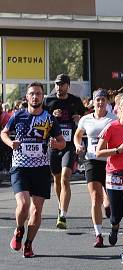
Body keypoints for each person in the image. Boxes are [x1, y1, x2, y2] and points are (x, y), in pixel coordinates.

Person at [2, 82, 65, 257]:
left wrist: (56, 144)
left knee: (36, 210)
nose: (35, 96)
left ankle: (28, 243)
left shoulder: (49, 119)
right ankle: (19, 229)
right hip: (20, 166)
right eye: (32, 94)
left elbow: (62, 142)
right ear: (27, 97)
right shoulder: (18, 115)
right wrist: (10, 143)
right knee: (23, 204)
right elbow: (4, 133)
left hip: (41, 168)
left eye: (38, 93)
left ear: (42, 97)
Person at [96, 95, 123, 263]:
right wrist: (118, 150)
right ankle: (114, 226)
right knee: (116, 213)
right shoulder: (111, 127)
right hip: (114, 173)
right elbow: (98, 152)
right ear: (118, 109)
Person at [74, 89, 117, 247]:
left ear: (107, 102)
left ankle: (114, 225)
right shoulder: (86, 119)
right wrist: (78, 144)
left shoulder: (113, 119)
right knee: (95, 197)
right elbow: (78, 134)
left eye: (103, 100)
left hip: (109, 162)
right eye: (97, 100)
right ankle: (98, 234)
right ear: (93, 101)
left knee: (111, 199)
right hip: (91, 160)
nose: (100, 103)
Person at [44, 73, 86, 230]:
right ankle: (60, 204)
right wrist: (50, 116)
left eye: (61, 84)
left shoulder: (75, 101)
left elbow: (85, 117)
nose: (58, 87)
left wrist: (78, 119)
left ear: (68, 85)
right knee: (57, 179)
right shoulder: (48, 100)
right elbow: (41, 121)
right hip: (53, 144)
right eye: (56, 84)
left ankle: (63, 215)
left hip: (69, 145)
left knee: (65, 178)